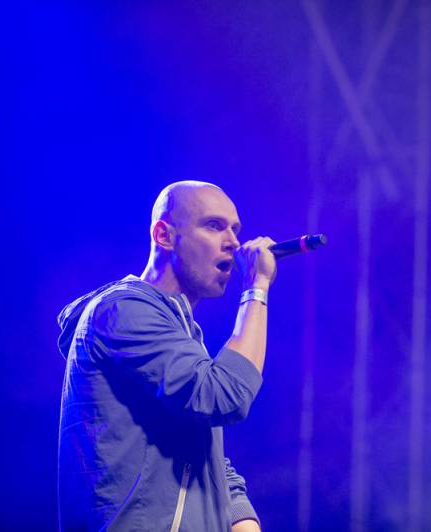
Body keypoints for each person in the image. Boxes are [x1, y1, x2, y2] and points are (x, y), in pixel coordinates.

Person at [57, 181, 276, 531]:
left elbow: (205, 455)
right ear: (164, 235)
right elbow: (225, 395)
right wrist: (256, 289)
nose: (233, 243)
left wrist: (242, 520)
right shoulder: (123, 311)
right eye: (214, 226)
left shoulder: (184, 335)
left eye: (235, 230)